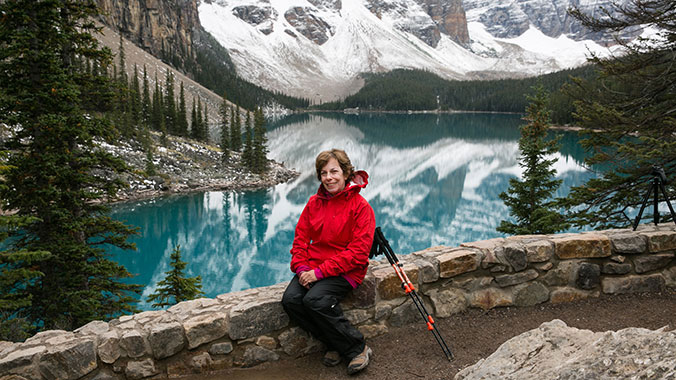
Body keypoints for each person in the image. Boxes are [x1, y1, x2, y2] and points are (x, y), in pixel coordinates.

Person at [281, 149, 376, 375]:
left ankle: (357, 348)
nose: (329, 177)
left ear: (346, 174)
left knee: (316, 300)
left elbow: (359, 253)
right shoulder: (314, 203)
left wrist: (319, 273)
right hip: (314, 267)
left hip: (347, 271)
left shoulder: (361, 208)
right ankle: (335, 343)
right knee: (291, 300)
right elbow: (301, 240)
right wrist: (302, 267)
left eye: (334, 171)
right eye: (323, 173)